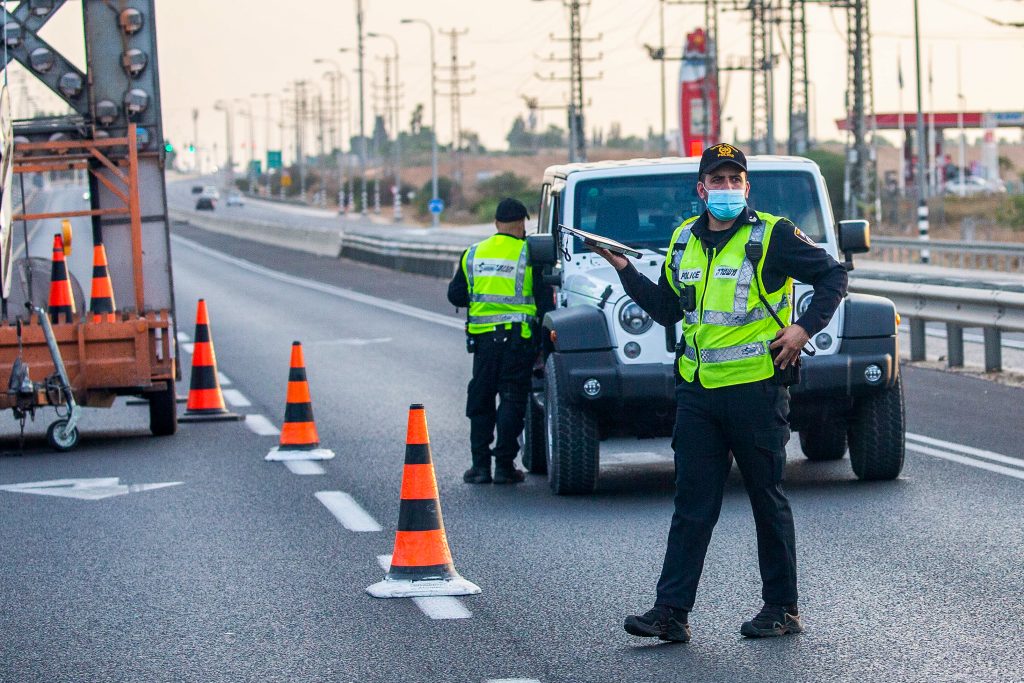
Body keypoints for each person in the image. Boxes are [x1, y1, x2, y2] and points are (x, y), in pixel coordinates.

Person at [589, 143, 848, 641]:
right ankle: (671, 612)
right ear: (701, 189)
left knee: (766, 499)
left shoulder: (771, 235)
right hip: (698, 394)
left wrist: (803, 329)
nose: (727, 188)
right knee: (692, 505)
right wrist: (624, 270)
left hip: (756, 390)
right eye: (718, 180)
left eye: (736, 180)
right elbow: (667, 309)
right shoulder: (683, 239)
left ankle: (782, 607)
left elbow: (832, 274)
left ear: (746, 187)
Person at [447, 197, 554, 485]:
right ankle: (505, 467)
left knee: (481, 400)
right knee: (512, 399)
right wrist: (545, 348)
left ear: (496, 224)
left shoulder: (473, 253)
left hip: (483, 343)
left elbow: (455, 295)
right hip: (519, 342)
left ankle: (479, 467)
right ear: (521, 224)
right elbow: (545, 303)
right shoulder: (529, 254)